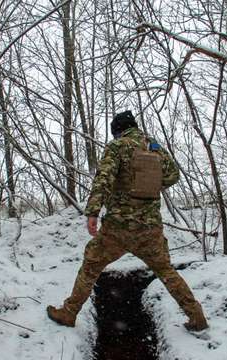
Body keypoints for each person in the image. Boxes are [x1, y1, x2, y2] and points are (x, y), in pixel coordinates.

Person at [47, 110, 209, 332]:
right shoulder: (155, 147)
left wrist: (93, 211)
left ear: (118, 131)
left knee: (91, 266)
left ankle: (69, 312)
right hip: (150, 228)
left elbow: (103, 179)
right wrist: (149, 183)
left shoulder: (117, 147)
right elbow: (173, 176)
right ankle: (196, 316)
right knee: (166, 271)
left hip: (118, 228)